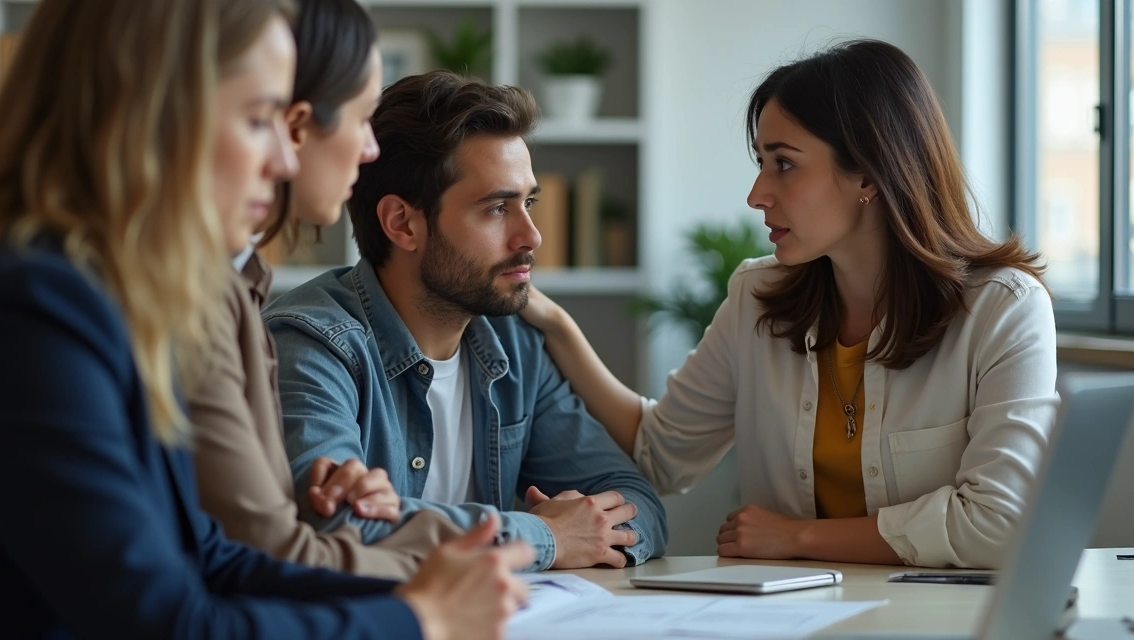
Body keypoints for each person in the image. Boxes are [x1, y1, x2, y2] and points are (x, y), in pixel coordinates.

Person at [0, 1, 530, 638]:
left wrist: (428, 587)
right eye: (260, 116)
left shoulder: (114, 298)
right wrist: (418, 618)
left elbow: (209, 556)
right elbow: (165, 621)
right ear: (155, 113)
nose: (286, 158)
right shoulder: (27, 311)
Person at [520, 39, 1058, 569]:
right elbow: (661, 457)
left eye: (784, 164)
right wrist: (558, 325)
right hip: (789, 618)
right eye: (761, 162)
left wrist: (796, 537)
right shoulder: (756, 299)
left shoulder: (1002, 309)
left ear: (870, 173)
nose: (757, 194)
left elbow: (1000, 524)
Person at [262, 70, 668, 572]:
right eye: (498, 208)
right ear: (402, 223)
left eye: (529, 202)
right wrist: (545, 536)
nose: (532, 236)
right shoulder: (311, 345)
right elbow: (334, 530)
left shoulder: (514, 346)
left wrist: (585, 532)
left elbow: (637, 503)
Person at [187, 0, 462, 581]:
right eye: (264, 119)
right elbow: (255, 559)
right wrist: (498, 544)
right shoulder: (238, 311)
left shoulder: (236, 288)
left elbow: (258, 540)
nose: (370, 150)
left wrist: (317, 508)